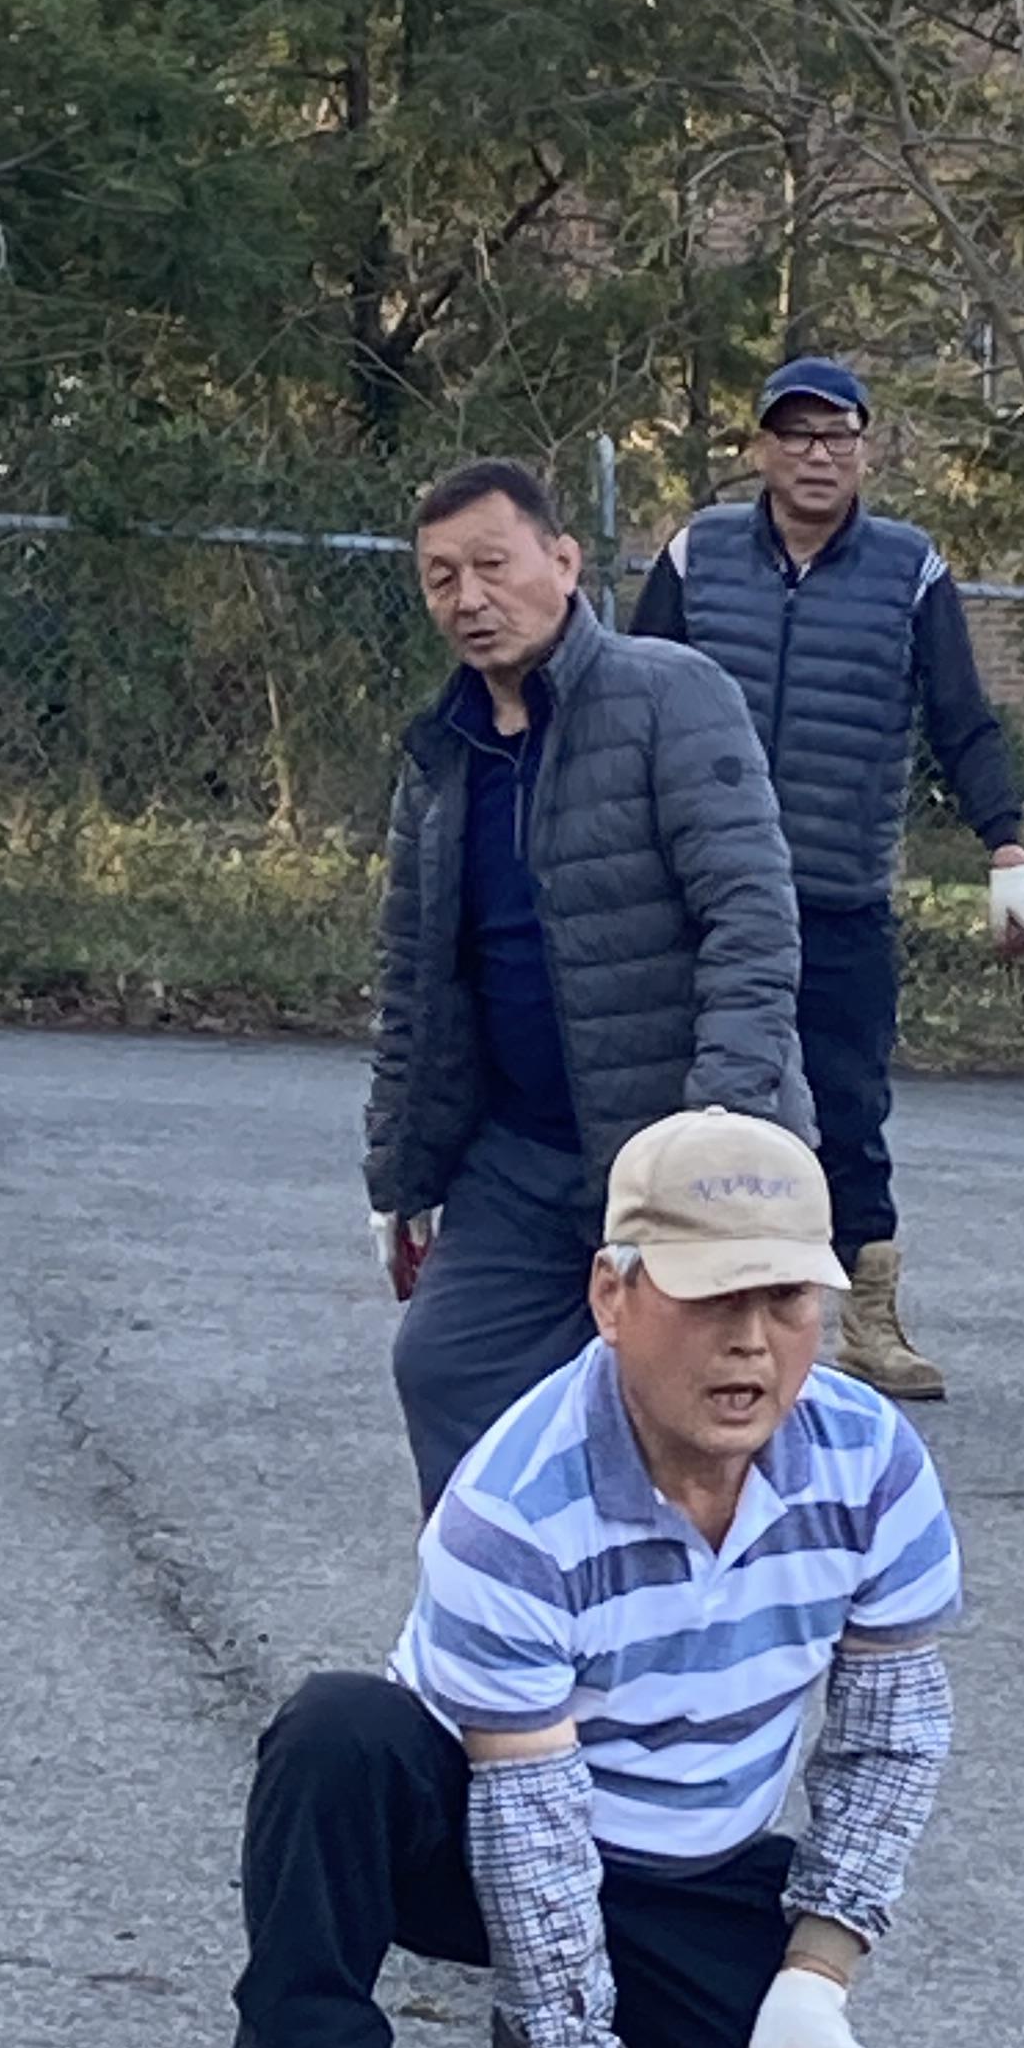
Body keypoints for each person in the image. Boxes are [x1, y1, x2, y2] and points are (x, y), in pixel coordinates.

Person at [198, 1108, 961, 2048]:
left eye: (785, 1301)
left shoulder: (874, 1464)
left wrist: (817, 1977)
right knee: (335, 1738)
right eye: (710, 1301)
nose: (751, 1345)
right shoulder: (515, 1501)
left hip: (691, 1869)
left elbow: (889, 1739)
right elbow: (530, 1821)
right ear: (614, 1296)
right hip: (478, 1836)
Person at [369, 457, 807, 1508]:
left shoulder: (670, 697)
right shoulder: (440, 758)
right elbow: (413, 983)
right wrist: (399, 1177)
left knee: (688, 1418)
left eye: (493, 565)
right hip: (519, 1161)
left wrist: (722, 1127)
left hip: (672, 1148)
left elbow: (750, 919)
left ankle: (695, 1602)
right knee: (444, 1367)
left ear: (564, 562)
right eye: (441, 578)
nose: (470, 599)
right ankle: (500, 1601)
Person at [631, 356, 1024, 1404]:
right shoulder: (696, 553)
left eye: (837, 435)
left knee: (848, 1110)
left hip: (839, 893)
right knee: (678, 1099)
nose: (816, 454)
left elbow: (961, 718)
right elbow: (628, 700)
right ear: (761, 450)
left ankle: (868, 1320)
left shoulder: (911, 570)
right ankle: (653, 1307)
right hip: (698, 893)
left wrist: (1005, 848)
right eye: (796, 433)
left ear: (866, 449)